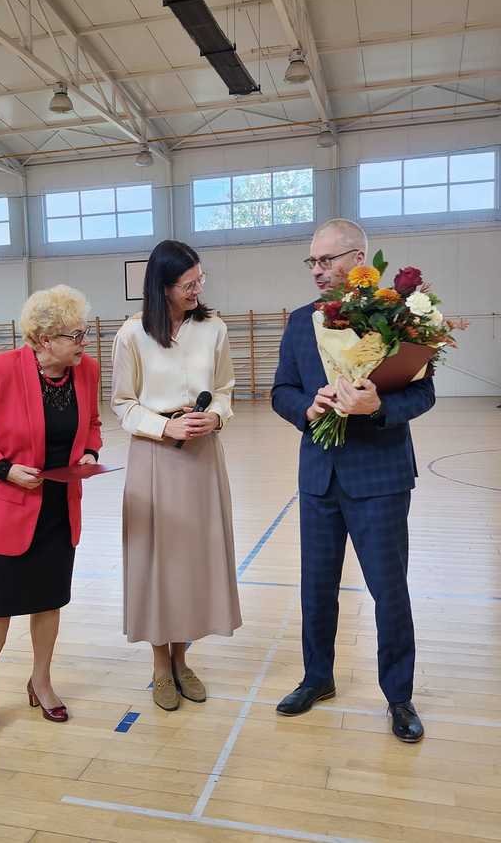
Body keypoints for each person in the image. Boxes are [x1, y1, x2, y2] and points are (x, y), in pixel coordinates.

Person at [271, 219, 435, 743]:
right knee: (316, 588)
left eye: (327, 260)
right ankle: (317, 677)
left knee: (389, 591)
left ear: (359, 258)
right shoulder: (299, 323)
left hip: (380, 477)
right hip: (319, 476)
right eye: (312, 262)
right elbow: (281, 392)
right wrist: (307, 405)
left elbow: (424, 393)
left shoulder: (397, 318)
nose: (318, 271)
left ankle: (399, 696)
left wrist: (379, 403)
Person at [0, 285, 102, 743]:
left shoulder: (86, 370)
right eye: (75, 335)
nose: (84, 343)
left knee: (48, 601)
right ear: (42, 340)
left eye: (84, 332)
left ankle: (41, 679)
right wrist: (4, 469)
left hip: (57, 507)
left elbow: (92, 422)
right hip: (4, 509)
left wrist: (91, 452)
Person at [111, 240, 241, 711]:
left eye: (200, 280)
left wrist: (217, 418)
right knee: (156, 561)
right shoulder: (131, 335)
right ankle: (159, 664)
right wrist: (164, 426)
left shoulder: (215, 329)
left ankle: (183, 658)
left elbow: (225, 390)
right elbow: (122, 404)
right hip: (154, 456)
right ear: (161, 287)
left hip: (202, 456)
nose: (197, 289)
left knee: (194, 560)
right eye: (188, 284)